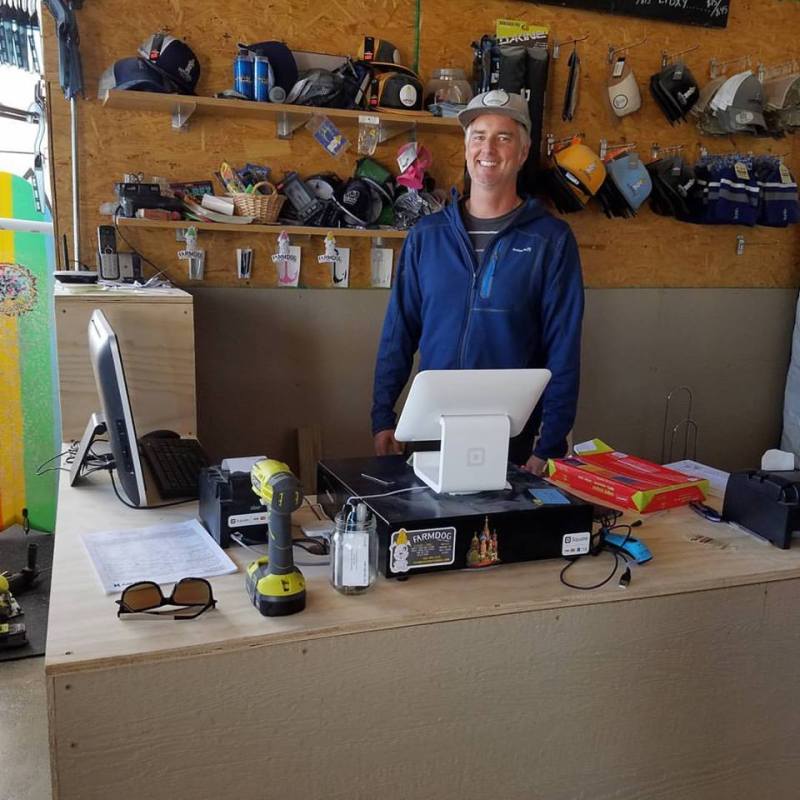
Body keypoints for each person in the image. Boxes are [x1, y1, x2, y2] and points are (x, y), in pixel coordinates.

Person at [371, 89, 584, 474]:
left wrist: (550, 444)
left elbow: (563, 347)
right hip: (430, 432)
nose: (489, 148)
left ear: (523, 152)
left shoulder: (550, 240)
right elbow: (398, 333)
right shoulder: (427, 236)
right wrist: (383, 415)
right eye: (479, 136)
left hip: (512, 441)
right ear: (467, 146)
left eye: (503, 137)